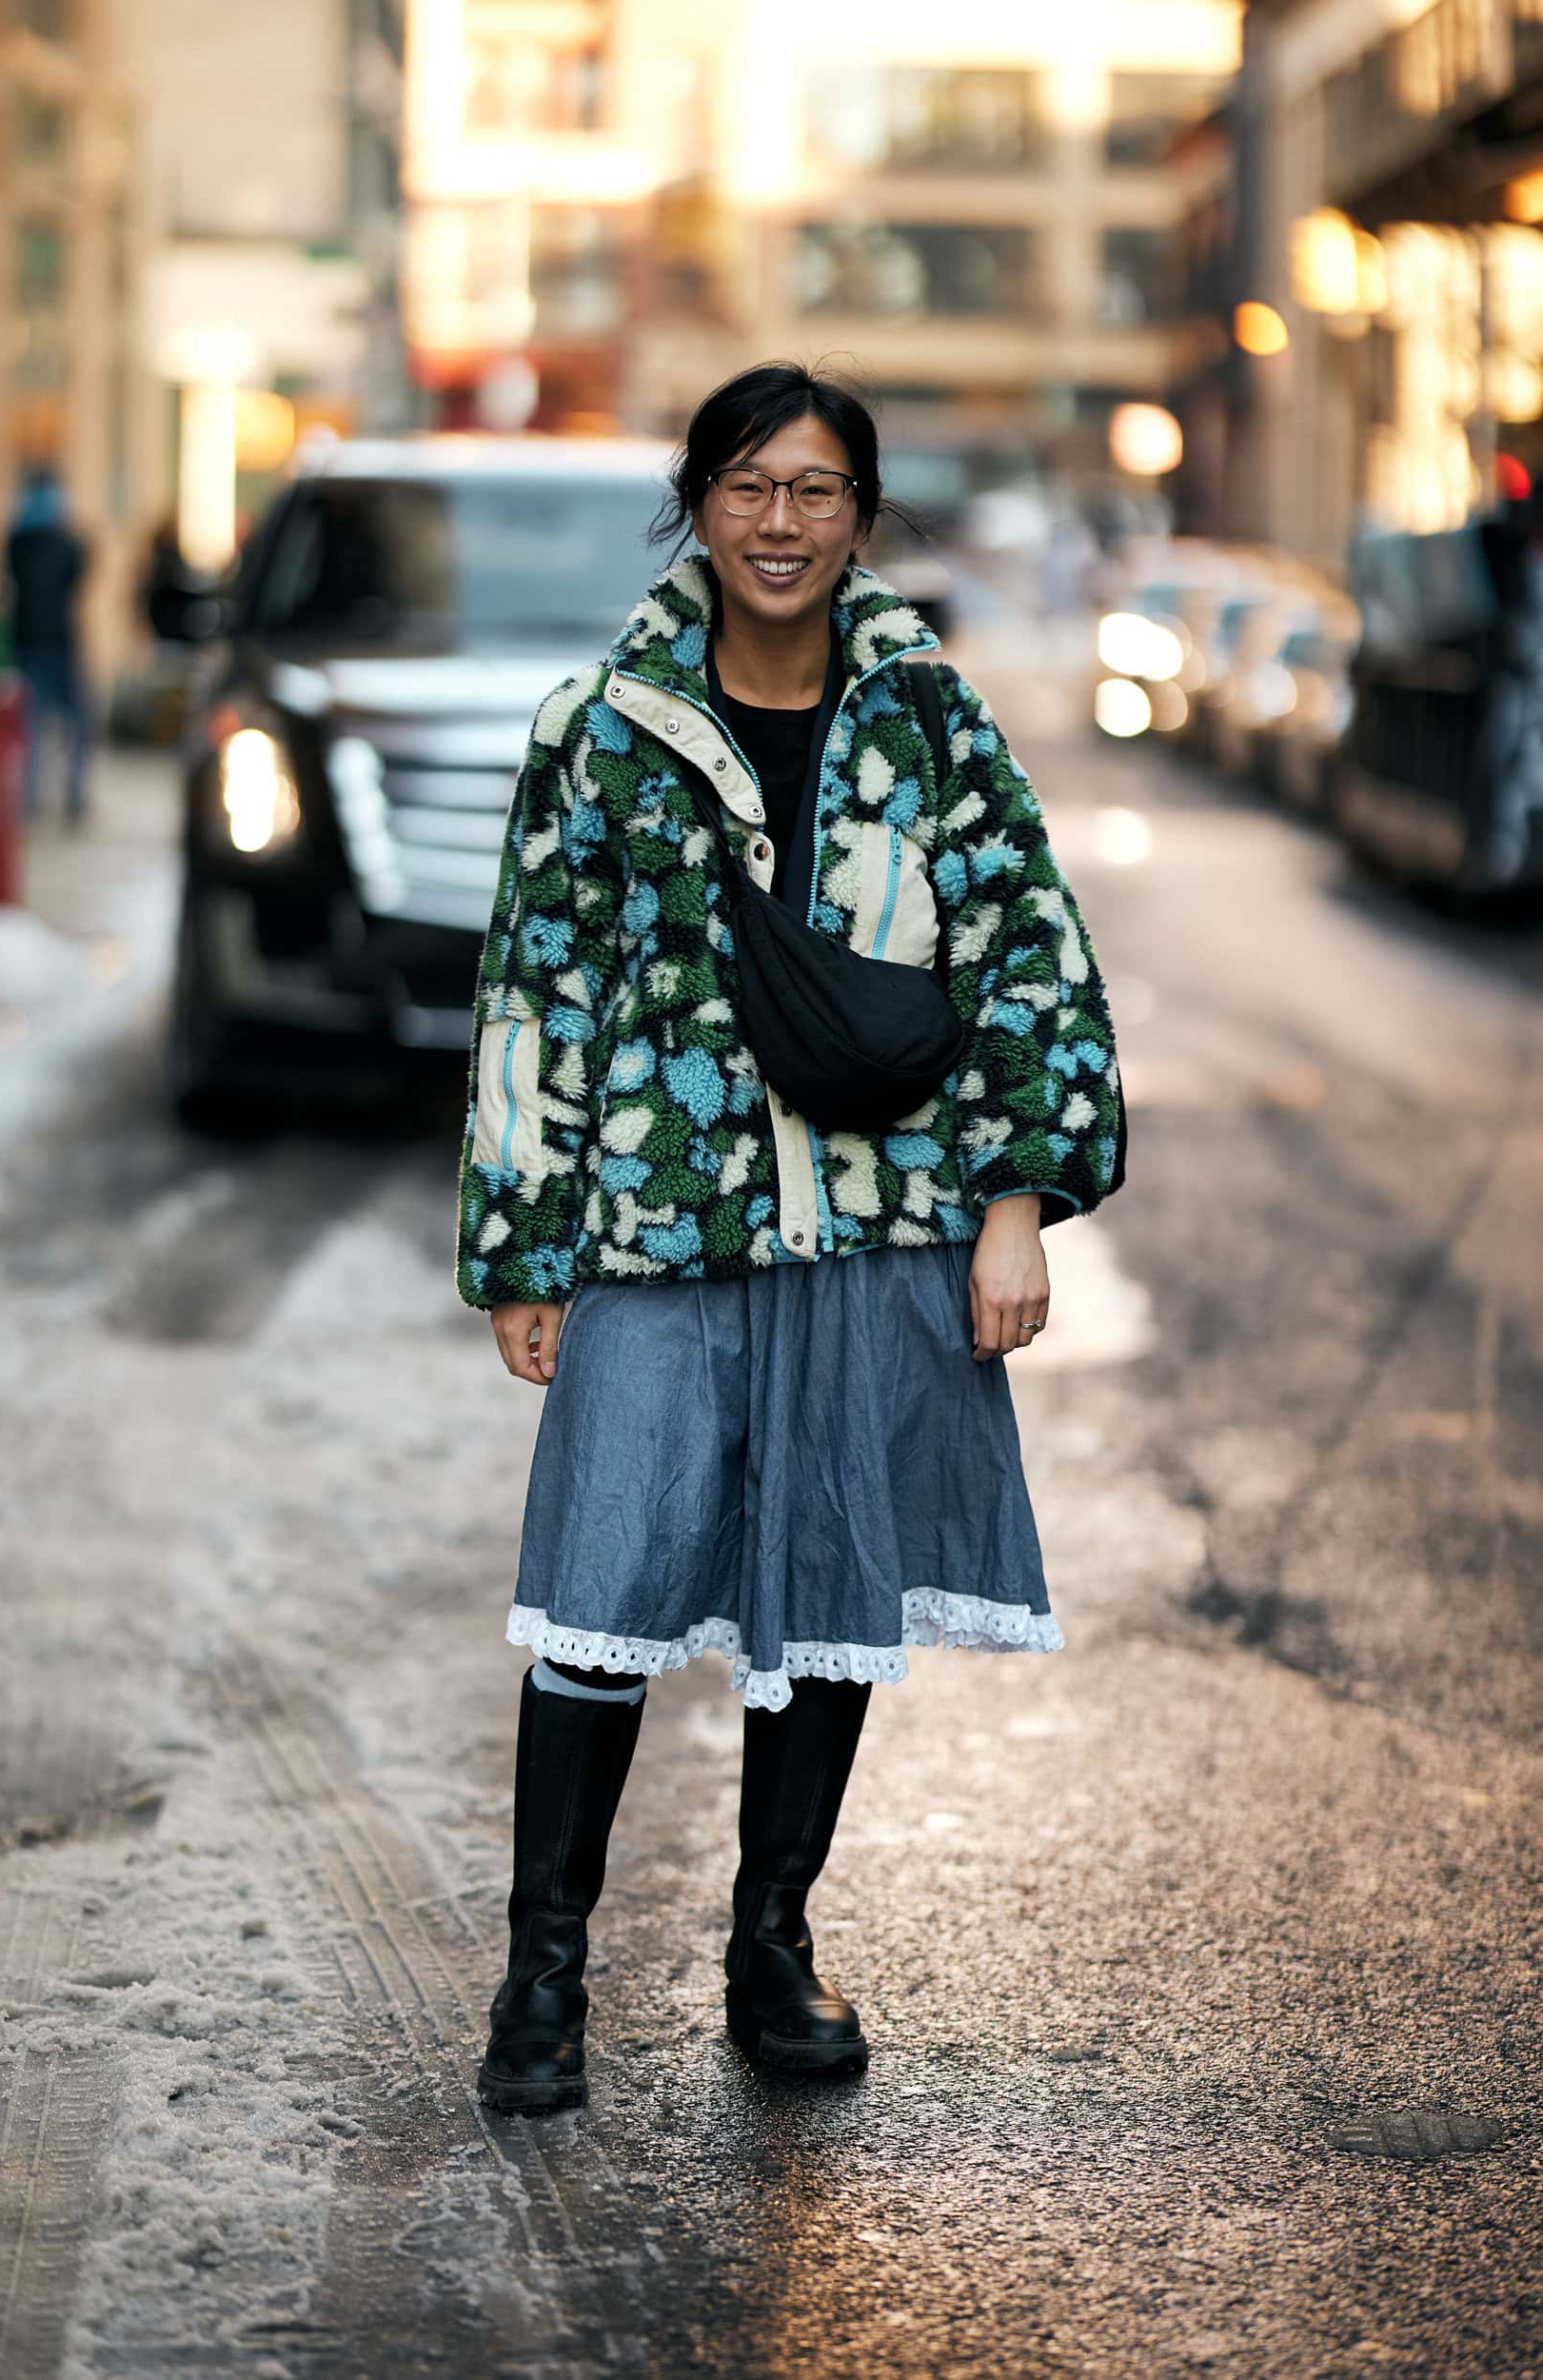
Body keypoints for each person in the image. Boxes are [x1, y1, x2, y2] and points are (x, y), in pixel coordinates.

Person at [456, 363, 1125, 2117]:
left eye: (815, 489)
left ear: (859, 514)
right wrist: (524, 1246)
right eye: (748, 485)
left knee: (824, 1595)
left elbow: (1028, 962)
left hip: (877, 1231)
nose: (779, 522)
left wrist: (1012, 1210)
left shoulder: (930, 721)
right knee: (600, 1589)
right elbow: (537, 990)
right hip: (655, 1229)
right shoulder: (602, 727)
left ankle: (771, 1949)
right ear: (696, 502)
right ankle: (543, 1975)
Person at [4, 466, 92, 824]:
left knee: (36, 725)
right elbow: (77, 575)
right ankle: (67, 793)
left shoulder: (17, 541)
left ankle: (37, 796)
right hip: (54, 642)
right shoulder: (63, 541)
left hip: (33, 642)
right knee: (70, 723)